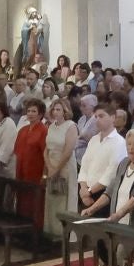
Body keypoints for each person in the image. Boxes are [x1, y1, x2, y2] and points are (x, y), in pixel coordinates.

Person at [44, 95, 80, 236]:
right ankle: (51, 230)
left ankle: (63, 232)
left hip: (64, 165)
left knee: (63, 199)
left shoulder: (71, 126)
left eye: (58, 109)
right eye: (54, 109)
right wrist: (50, 167)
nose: (55, 112)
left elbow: (68, 150)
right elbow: (45, 150)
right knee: (52, 198)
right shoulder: (51, 126)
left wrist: (57, 169)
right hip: (51, 164)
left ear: (65, 111)